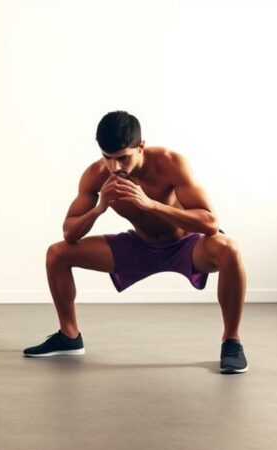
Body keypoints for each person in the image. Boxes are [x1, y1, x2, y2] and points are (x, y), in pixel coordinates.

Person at [23, 111, 248, 374]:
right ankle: (69, 337)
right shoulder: (97, 175)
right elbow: (69, 233)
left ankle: (232, 341)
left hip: (184, 244)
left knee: (229, 248)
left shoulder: (170, 163)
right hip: (139, 246)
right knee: (57, 254)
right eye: (107, 157)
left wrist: (151, 205)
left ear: (141, 146)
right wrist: (99, 209)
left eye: (123, 158)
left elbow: (210, 223)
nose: (114, 167)